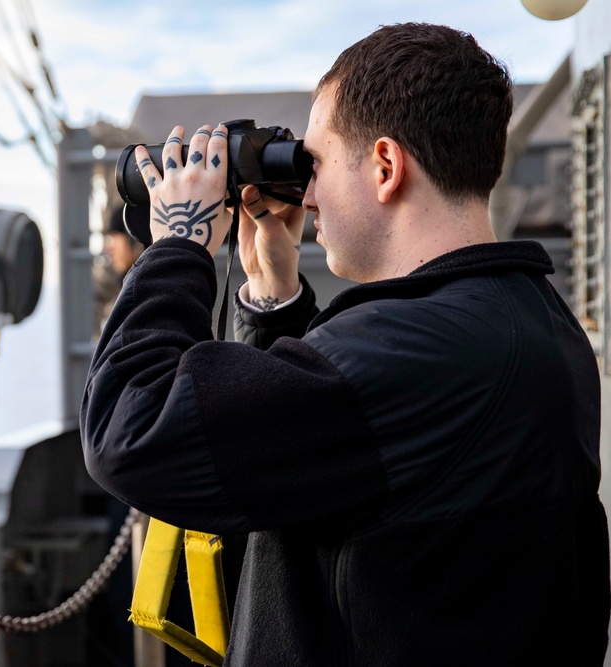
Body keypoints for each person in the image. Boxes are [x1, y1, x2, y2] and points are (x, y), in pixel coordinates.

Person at [81, 22, 610, 666]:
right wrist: (273, 302)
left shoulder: (413, 348)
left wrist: (179, 245)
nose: (306, 191)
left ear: (386, 167)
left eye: (319, 162)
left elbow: (128, 431)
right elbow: (332, 457)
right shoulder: (529, 322)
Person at [93, 202, 145, 335]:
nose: (108, 249)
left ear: (135, 238)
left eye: (114, 236)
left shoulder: (145, 295)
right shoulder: (133, 291)